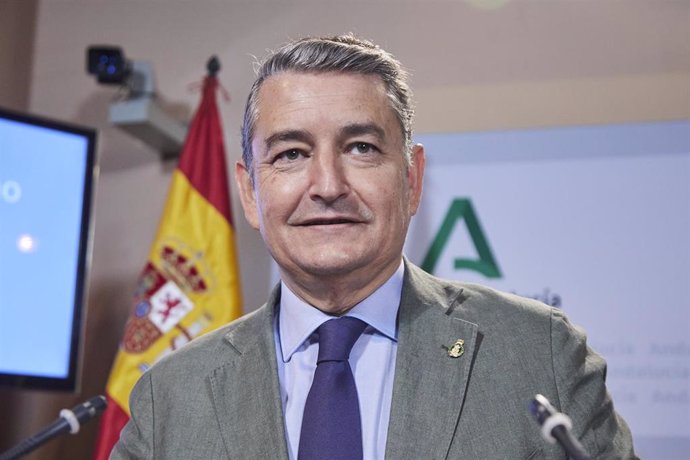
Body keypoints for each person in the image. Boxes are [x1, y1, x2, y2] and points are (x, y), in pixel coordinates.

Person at [112, 34, 636, 459]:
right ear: (250, 193)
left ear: (412, 178)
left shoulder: (539, 352)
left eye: (361, 148)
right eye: (291, 154)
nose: (327, 184)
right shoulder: (170, 397)